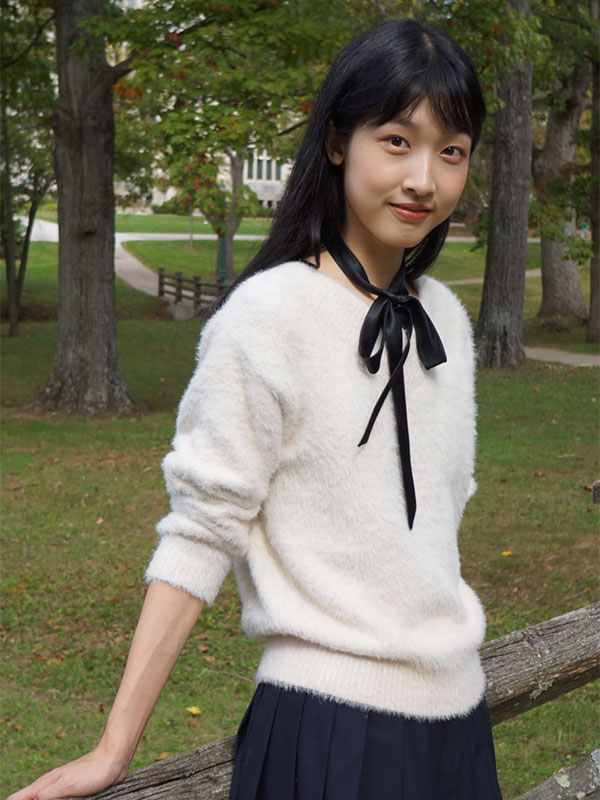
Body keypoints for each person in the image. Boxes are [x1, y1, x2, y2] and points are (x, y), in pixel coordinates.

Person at [9, 18, 503, 800]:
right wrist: (113, 749)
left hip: (458, 727)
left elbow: (438, 519)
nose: (425, 180)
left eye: (452, 151)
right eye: (398, 141)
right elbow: (202, 530)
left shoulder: (443, 319)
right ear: (339, 142)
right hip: (330, 730)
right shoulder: (267, 316)